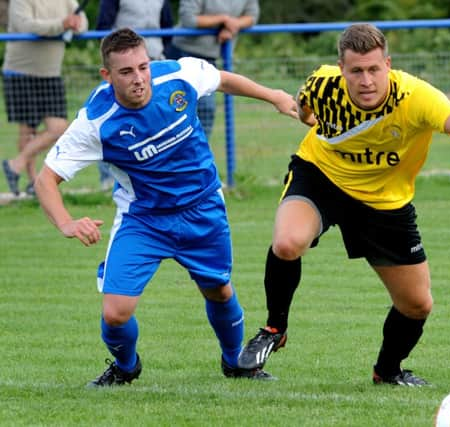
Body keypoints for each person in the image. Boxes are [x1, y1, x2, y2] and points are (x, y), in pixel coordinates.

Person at [34, 28, 298, 387]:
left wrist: (274, 97)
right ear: (107, 75)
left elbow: (222, 80)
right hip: (143, 220)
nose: (139, 78)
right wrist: (65, 222)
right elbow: (46, 179)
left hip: (202, 206)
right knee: (115, 314)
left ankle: (235, 362)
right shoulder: (96, 122)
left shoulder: (178, 74)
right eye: (126, 72)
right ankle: (126, 366)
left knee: (219, 290)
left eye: (142, 67)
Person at [237, 23, 450, 386]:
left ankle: (387, 371)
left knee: (417, 304)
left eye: (374, 69)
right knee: (287, 243)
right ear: (341, 69)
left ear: (387, 64)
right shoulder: (323, 82)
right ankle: (274, 328)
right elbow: (305, 109)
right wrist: (312, 121)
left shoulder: (413, 97)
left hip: (384, 201)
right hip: (322, 176)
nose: (366, 80)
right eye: (356, 71)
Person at [1, 0, 88, 196]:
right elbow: (27, 26)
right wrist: (62, 24)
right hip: (20, 72)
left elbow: (82, 22)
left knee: (59, 128)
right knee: (27, 131)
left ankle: (15, 165)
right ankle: (34, 183)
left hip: (51, 73)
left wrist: (76, 24)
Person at [95, 0, 174, 190]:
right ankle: (108, 178)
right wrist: (119, 63)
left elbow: (167, 27)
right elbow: (103, 27)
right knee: (116, 125)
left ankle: (161, 176)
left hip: (154, 60)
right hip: (122, 68)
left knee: (159, 122)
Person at [167, 0, 260, 140]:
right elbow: (189, 19)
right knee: (174, 111)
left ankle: (197, 154)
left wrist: (233, 25)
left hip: (210, 59)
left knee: (206, 111)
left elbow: (252, 16)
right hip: (181, 53)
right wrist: (223, 20)